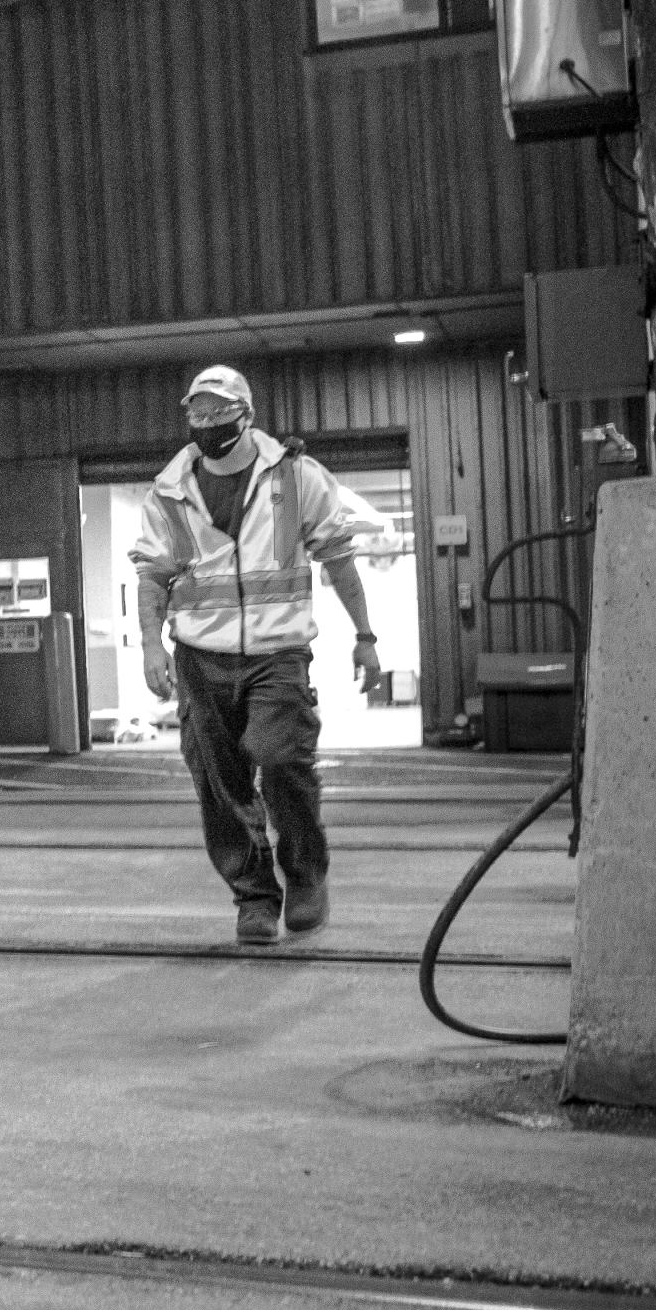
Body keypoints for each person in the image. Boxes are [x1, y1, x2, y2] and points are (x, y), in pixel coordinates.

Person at [131, 365, 390, 945]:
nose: (206, 423)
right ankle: (253, 898)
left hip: (279, 653)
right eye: (196, 413)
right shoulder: (170, 490)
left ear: (245, 414)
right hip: (200, 658)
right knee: (219, 786)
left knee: (280, 762)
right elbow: (152, 576)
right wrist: (152, 647)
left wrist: (366, 637)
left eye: (218, 412)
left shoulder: (297, 476)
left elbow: (339, 559)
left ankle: (304, 875)